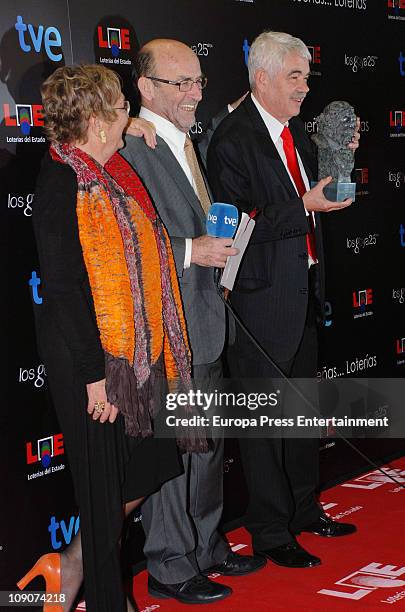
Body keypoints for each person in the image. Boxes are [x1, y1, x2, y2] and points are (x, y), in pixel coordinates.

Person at [17, 64, 193, 612]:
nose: (127, 115)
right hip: (89, 361)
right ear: (95, 121)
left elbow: (149, 225)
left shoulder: (108, 169)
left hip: (128, 355)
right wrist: (96, 378)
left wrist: (134, 127)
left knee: (149, 465)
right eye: (120, 107)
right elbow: (65, 290)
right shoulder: (62, 181)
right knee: (99, 501)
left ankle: (68, 567)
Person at [207, 31, 358, 569]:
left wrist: (338, 164)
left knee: (300, 417)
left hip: (303, 294)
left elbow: (317, 199)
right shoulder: (232, 139)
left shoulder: (298, 134)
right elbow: (237, 228)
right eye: (295, 76)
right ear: (262, 78)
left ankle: (302, 510)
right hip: (260, 305)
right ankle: (270, 532)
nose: (304, 86)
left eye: (307, 76)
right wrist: (303, 204)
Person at [122, 39, 265, 605]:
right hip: (167, 330)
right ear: (146, 88)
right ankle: (170, 564)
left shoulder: (187, 140)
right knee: (176, 453)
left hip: (207, 318)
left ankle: (207, 547)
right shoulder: (133, 145)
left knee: (205, 449)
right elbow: (127, 241)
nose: (193, 92)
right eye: (179, 83)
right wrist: (189, 251)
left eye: (198, 81)